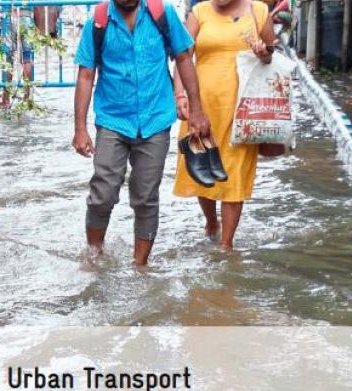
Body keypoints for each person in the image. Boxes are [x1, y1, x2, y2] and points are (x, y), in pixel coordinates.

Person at [72, 0, 210, 266]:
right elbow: (86, 74)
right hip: (113, 119)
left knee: (146, 196)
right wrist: (80, 129)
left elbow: (183, 57)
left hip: (155, 117)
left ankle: (140, 266)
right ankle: (94, 255)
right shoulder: (98, 19)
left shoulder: (162, 13)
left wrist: (197, 110)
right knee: (103, 192)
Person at [172, 0, 276, 251]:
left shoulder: (259, 12)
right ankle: (211, 223)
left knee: (236, 172)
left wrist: (264, 53)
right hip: (202, 106)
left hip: (244, 108)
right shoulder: (199, 13)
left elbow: (271, 56)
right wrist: (181, 96)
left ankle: (226, 245)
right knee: (201, 166)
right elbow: (183, 56)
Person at [0, 7, 36, 108]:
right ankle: (27, 97)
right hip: (27, 18)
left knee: (8, 59)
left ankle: (6, 99)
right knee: (27, 58)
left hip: (10, 17)